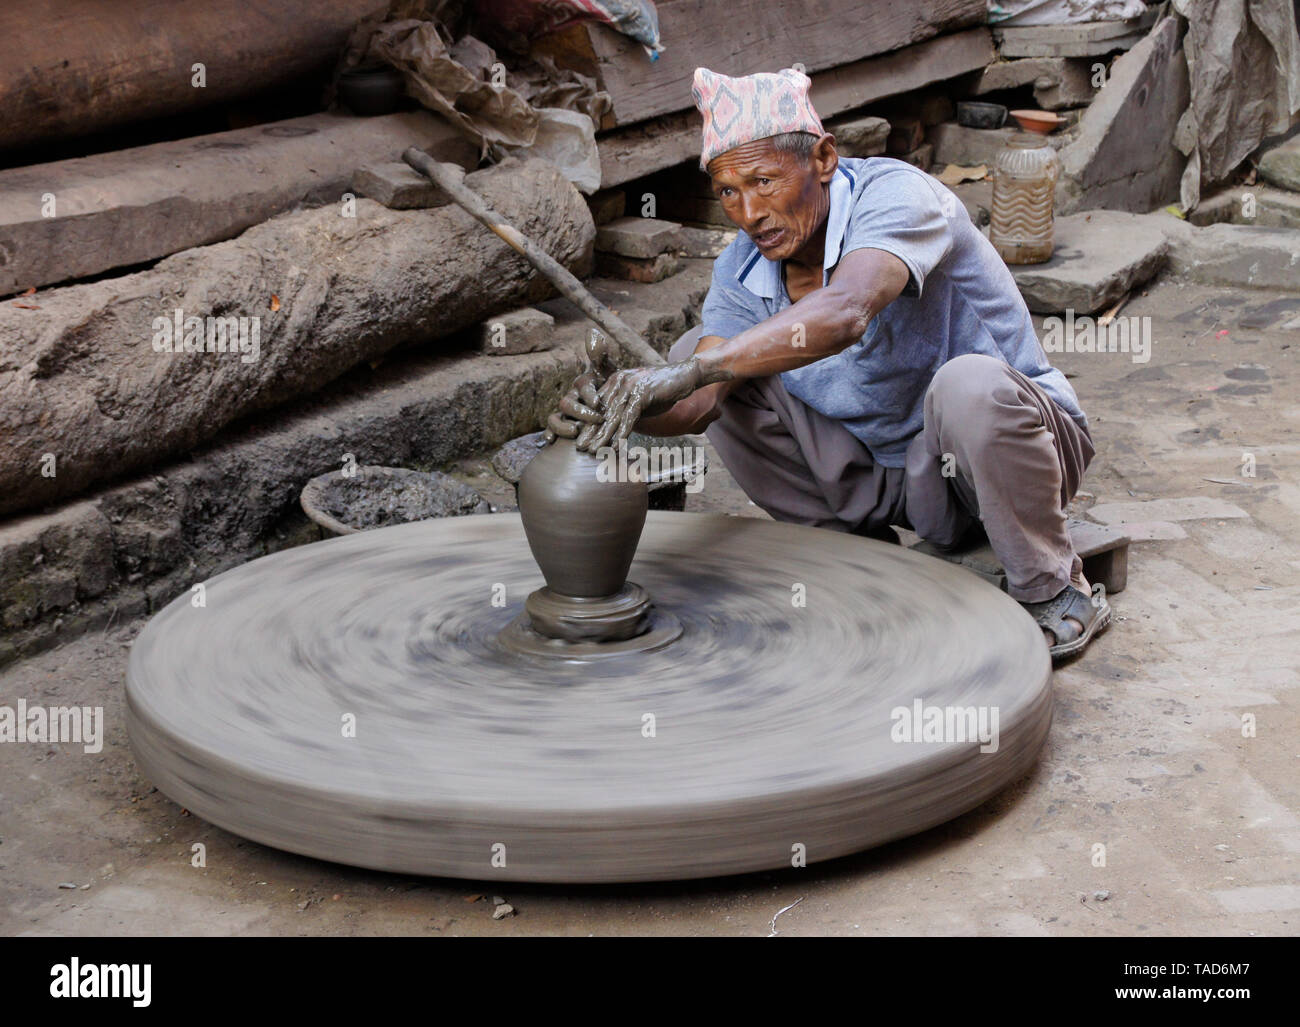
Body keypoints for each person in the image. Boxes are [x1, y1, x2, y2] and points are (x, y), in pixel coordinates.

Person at [547, 66, 1109, 661]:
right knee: (700, 358)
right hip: (891, 480)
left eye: (764, 181)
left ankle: (1051, 588)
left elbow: (845, 311)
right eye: (728, 192)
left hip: (1006, 456)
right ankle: (855, 555)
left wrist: (692, 372)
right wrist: (618, 404)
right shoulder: (742, 268)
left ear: (823, 159)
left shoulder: (899, 195)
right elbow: (696, 402)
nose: (748, 212)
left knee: (968, 383)